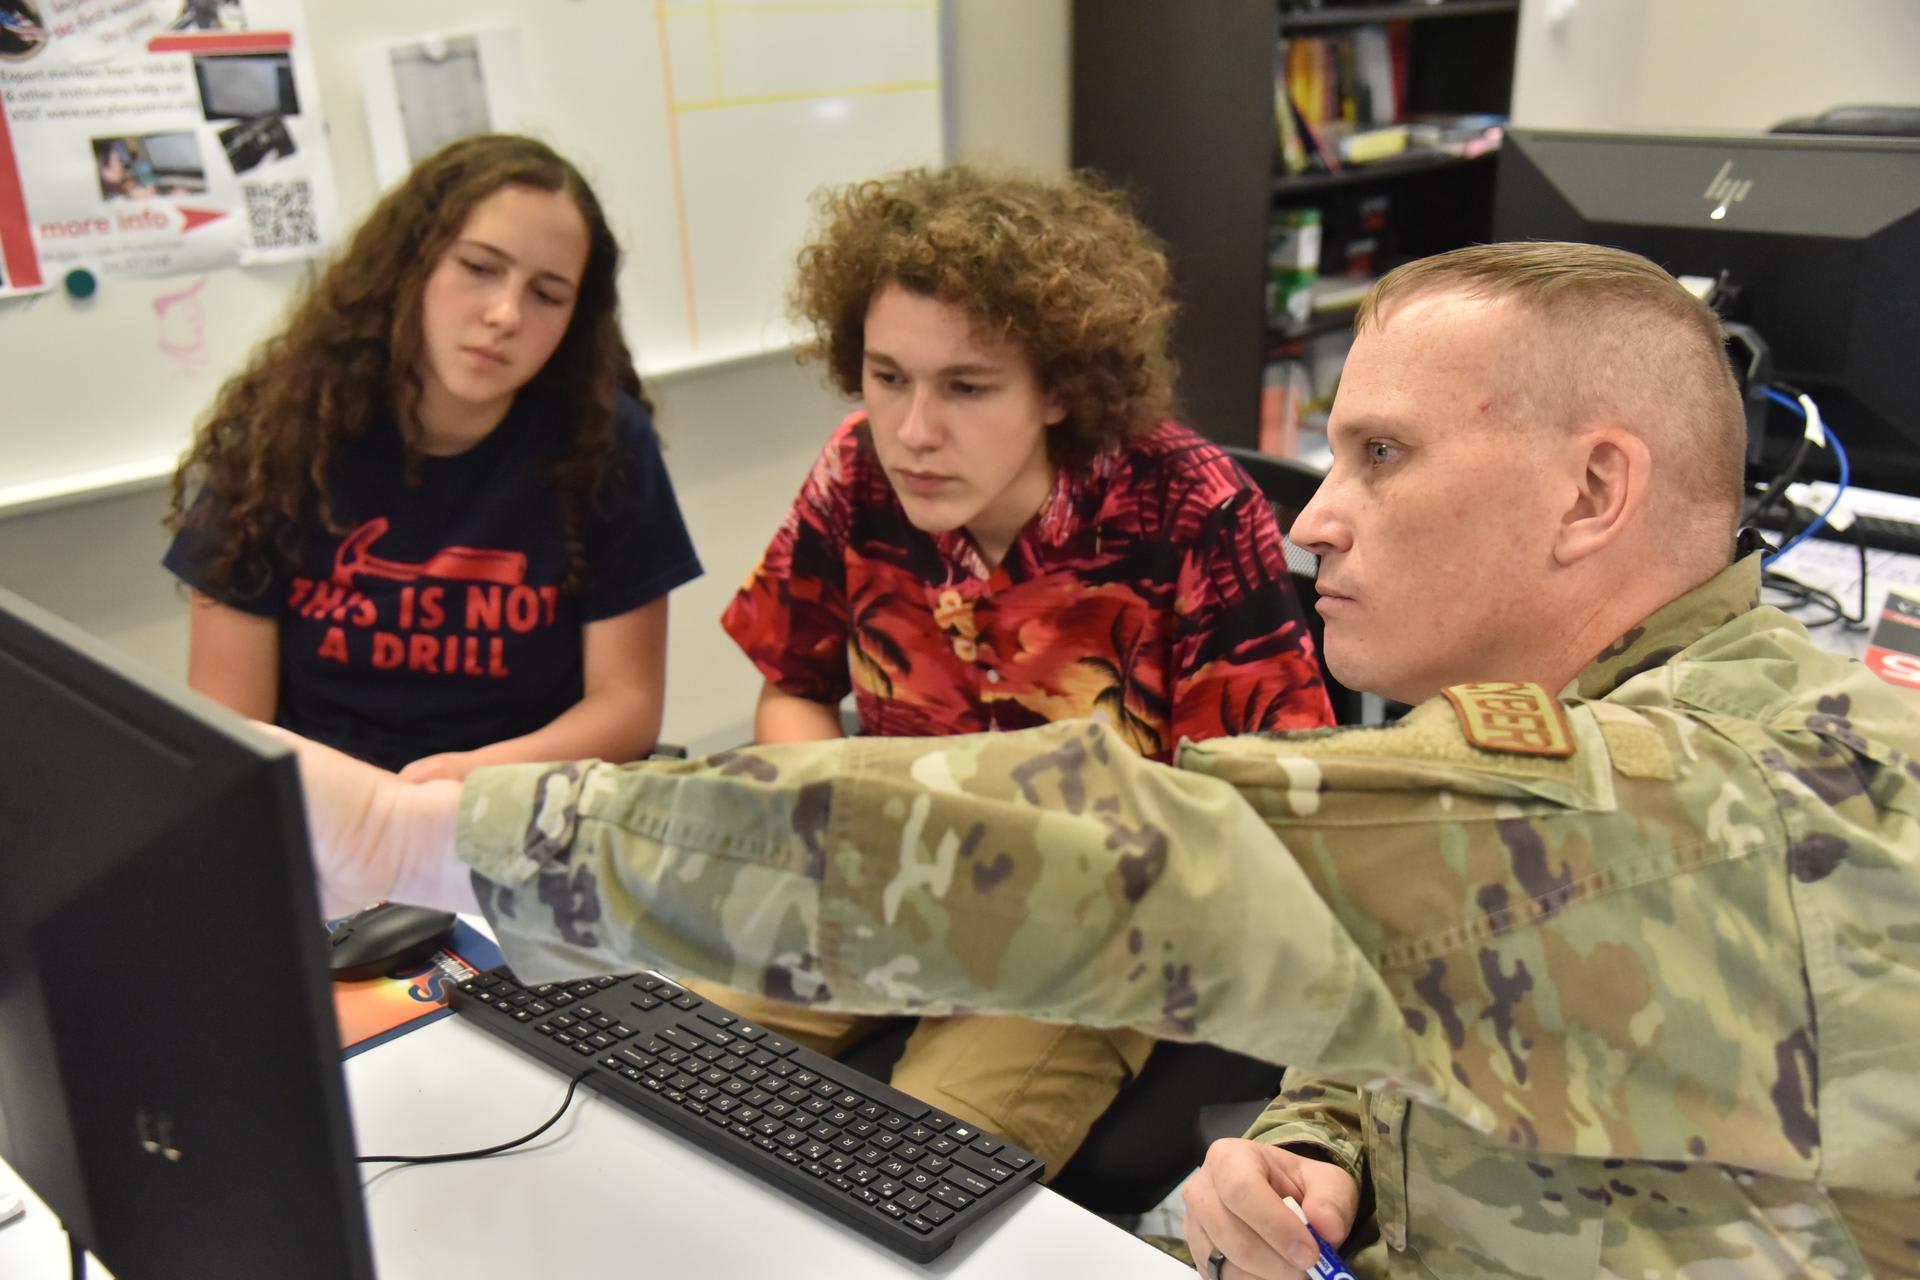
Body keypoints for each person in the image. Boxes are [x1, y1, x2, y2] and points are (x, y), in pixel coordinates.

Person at [281, 242, 1920, 1277]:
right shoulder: (1538, 733)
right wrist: (1322, 1150)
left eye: (1382, 456)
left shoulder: (1728, 806)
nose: (1316, 519)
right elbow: (1427, 977)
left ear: (1593, 492)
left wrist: (429, 837)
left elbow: (1149, 856)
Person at [707, 165, 1333, 1177]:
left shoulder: (1192, 513)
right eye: (888, 376)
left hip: (1091, 925)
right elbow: (793, 685)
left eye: (967, 386)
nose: (914, 431)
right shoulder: (856, 470)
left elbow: (1265, 813)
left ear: (1058, 387)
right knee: (673, 1056)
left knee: (913, 1171)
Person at [166, 134, 701, 780]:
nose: (505, 314)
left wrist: (460, 781)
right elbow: (233, 728)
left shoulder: (603, 442)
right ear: (410, 264)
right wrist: (368, 806)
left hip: (519, 802)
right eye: (479, 267)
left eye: (548, 295)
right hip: (324, 806)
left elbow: (626, 706)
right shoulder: (278, 436)